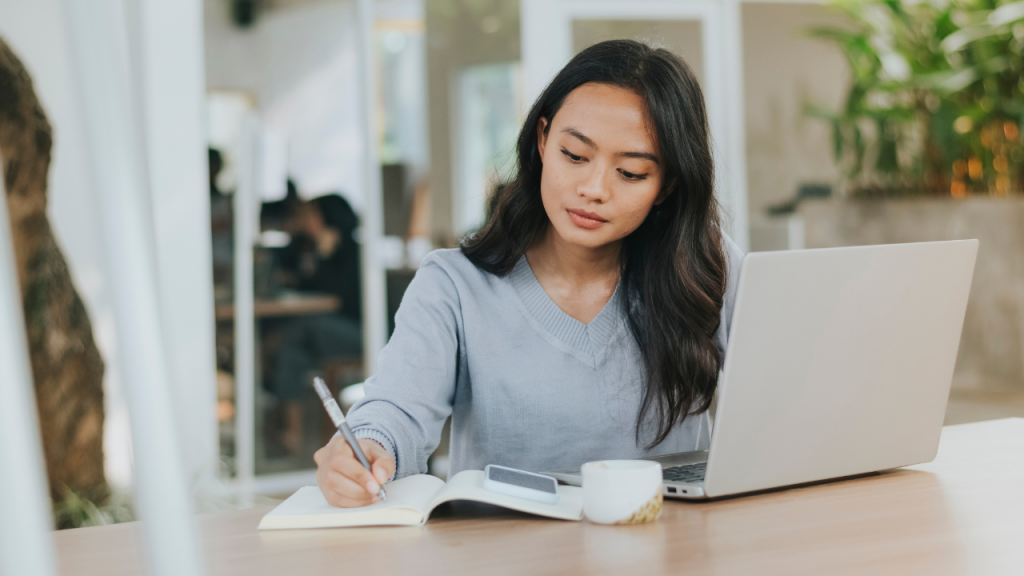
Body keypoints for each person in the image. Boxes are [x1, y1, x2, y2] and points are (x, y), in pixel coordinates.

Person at [315, 39, 743, 507]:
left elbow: (785, 399)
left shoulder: (707, 268)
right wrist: (368, 445)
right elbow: (396, 408)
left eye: (631, 173)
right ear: (542, 140)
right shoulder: (454, 285)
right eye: (575, 156)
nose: (593, 189)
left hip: (670, 552)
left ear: (667, 186)